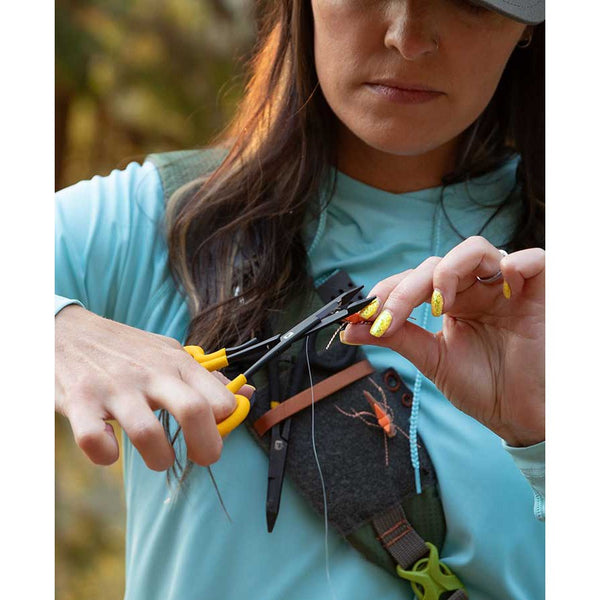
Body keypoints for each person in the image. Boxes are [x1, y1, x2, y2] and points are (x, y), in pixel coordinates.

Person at [55, 1, 545, 598]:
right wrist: (56, 327)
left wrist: (547, 445)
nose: (408, 38)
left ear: (530, 25)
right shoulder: (162, 220)